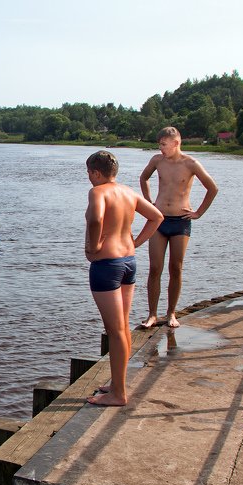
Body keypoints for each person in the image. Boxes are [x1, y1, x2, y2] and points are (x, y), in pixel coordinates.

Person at [84, 150, 163, 406]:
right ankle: (118, 384)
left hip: (107, 265)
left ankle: (118, 394)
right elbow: (157, 217)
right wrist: (136, 242)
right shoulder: (129, 192)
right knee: (123, 327)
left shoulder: (98, 192)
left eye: (89, 173)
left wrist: (92, 247)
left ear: (96, 172)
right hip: (128, 262)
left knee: (115, 331)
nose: (88, 178)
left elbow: (96, 218)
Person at [138, 127, 219, 329]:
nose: (161, 148)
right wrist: (149, 203)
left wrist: (199, 212)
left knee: (176, 268)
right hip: (158, 220)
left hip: (181, 221)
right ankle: (152, 315)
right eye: (159, 144)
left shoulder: (190, 163)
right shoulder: (157, 161)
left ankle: (171, 313)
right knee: (155, 267)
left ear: (176, 143)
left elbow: (212, 188)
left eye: (164, 144)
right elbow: (143, 178)